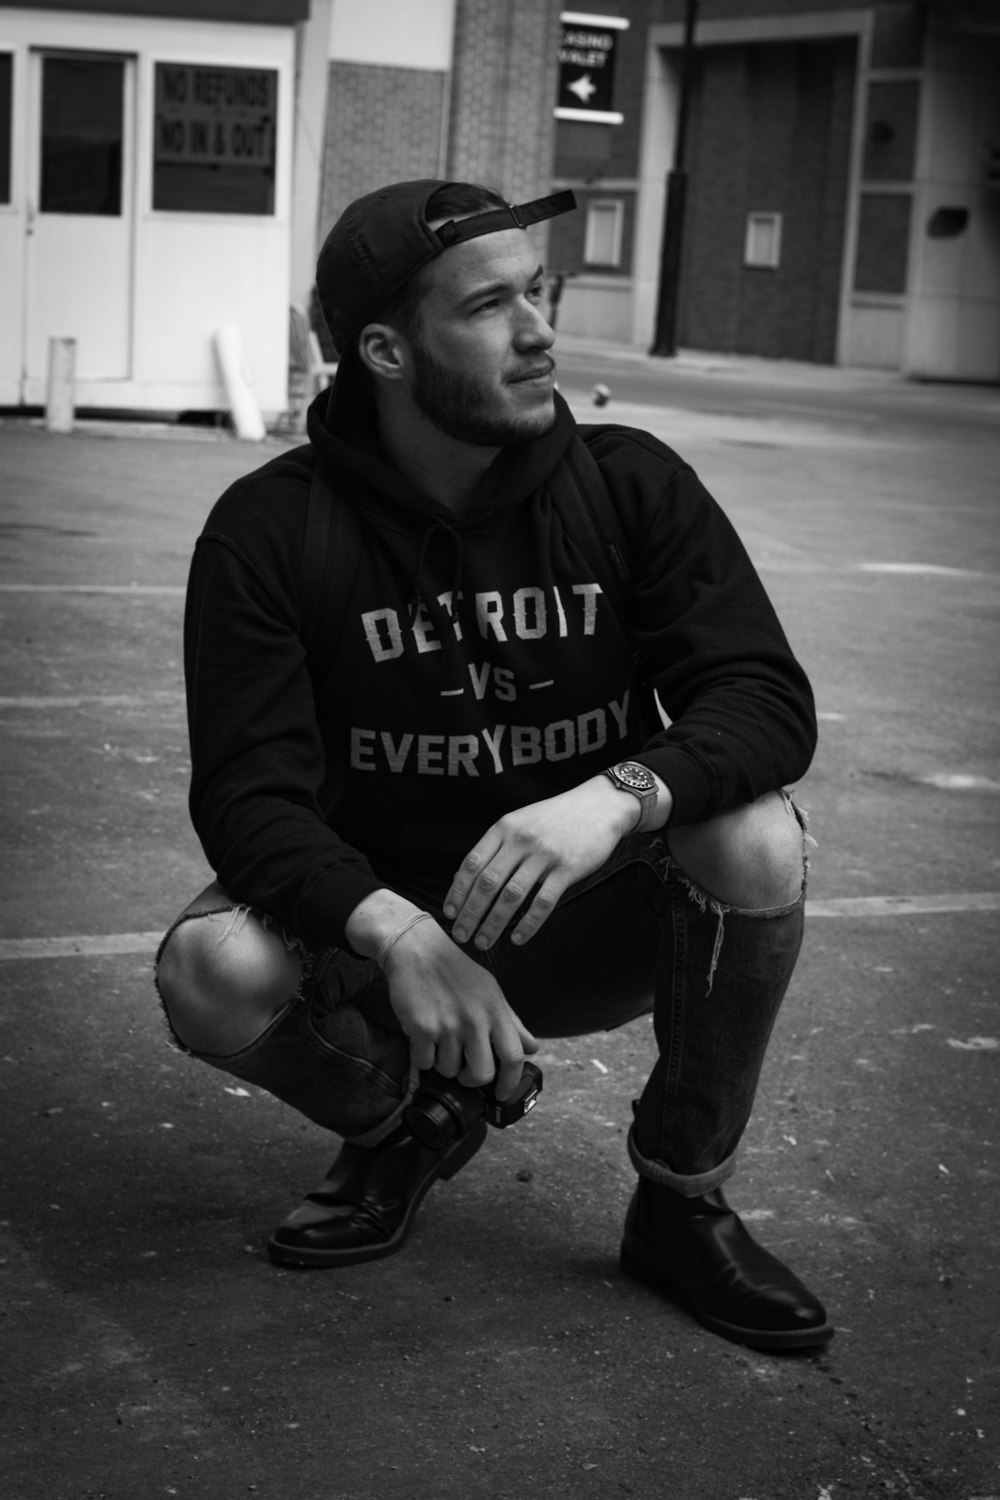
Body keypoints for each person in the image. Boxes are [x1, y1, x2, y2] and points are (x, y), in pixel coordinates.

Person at [155, 178, 833, 1352]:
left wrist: (616, 798)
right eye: (489, 305)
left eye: (540, 290)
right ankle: (412, 1116)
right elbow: (247, 795)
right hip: (391, 949)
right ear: (386, 349)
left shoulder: (628, 485)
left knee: (755, 832)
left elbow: (762, 697)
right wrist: (398, 933)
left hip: (589, 916)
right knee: (212, 968)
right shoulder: (269, 531)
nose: (540, 331)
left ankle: (682, 1202)